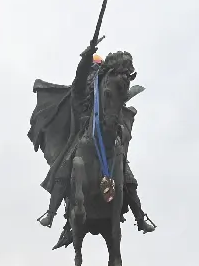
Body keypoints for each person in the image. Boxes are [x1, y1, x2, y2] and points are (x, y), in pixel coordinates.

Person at [31, 45, 155, 235]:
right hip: (83, 135)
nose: (95, 71)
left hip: (110, 135)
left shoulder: (109, 88)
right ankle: (51, 212)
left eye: (98, 67)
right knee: (64, 168)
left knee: (128, 178)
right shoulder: (82, 91)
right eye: (93, 67)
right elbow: (79, 79)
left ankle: (140, 218)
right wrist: (86, 57)